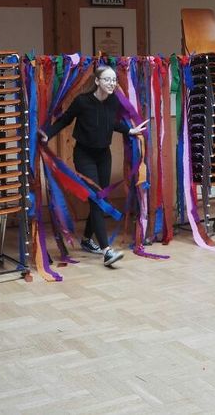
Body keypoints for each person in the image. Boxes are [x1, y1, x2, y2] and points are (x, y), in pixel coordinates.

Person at [40, 64, 147, 267]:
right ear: (97, 81)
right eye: (107, 79)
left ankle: (88, 239)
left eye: (114, 80)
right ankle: (107, 251)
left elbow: (110, 123)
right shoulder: (82, 101)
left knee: (101, 198)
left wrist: (129, 131)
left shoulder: (113, 101)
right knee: (97, 200)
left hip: (103, 155)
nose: (111, 83)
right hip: (84, 155)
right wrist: (48, 134)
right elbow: (64, 120)